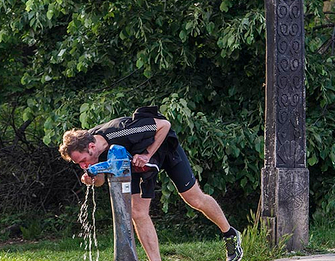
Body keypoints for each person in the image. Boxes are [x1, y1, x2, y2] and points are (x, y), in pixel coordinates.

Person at [59, 106, 243, 261]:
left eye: (83, 161)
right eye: (79, 164)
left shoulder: (122, 130)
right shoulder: (91, 153)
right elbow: (100, 181)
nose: (83, 166)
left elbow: (164, 125)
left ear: (91, 147)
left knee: (195, 199)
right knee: (138, 212)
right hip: (136, 163)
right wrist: (91, 179)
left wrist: (147, 154)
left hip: (162, 148)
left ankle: (230, 234)